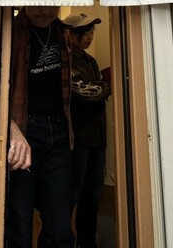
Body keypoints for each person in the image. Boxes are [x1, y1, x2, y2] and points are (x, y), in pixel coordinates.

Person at [6, 6, 75, 248]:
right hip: (24, 130)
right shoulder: (8, 32)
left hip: (59, 130)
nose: (45, 10)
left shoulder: (63, 33)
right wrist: (10, 125)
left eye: (51, 2)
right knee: (19, 221)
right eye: (39, 2)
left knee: (60, 222)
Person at [63, 13, 111, 248]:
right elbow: (83, 94)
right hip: (78, 138)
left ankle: (87, 241)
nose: (90, 37)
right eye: (85, 32)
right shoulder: (65, 59)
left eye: (92, 32)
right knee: (73, 193)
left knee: (92, 195)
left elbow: (97, 90)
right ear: (72, 34)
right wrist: (102, 88)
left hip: (97, 138)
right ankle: (63, 238)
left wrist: (99, 88)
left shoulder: (90, 61)